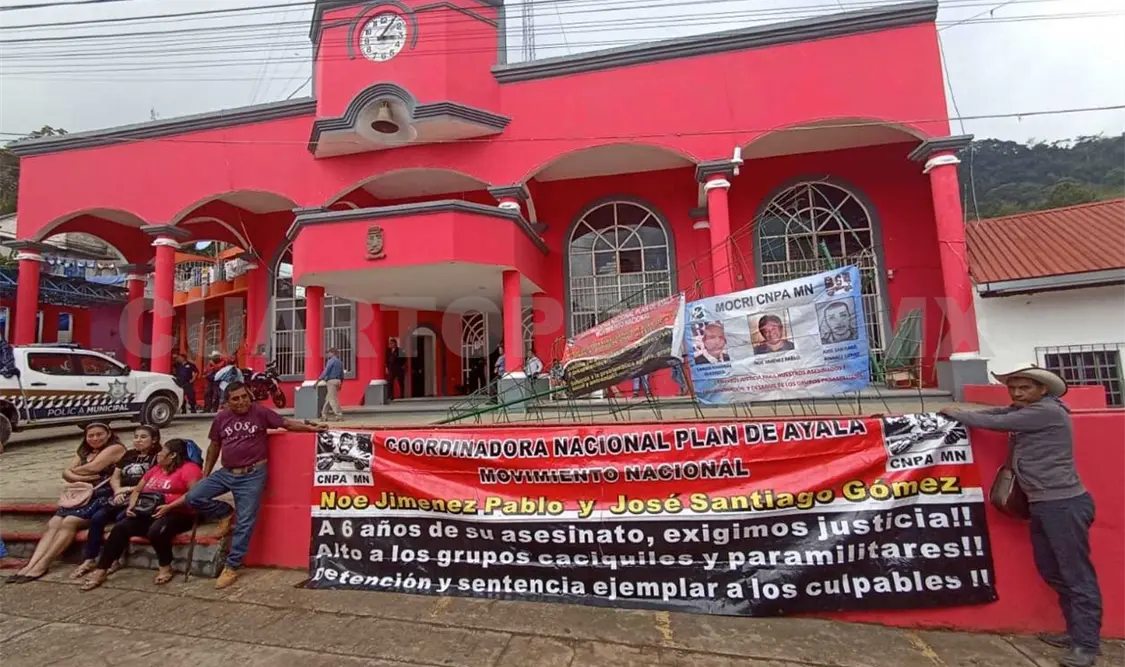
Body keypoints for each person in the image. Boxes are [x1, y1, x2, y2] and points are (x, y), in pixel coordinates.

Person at [940, 364, 1101, 667]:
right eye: (1013, 387)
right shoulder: (1029, 410)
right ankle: (1076, 631)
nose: (1017, 393)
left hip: (1063, 504)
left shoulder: (1046, 412)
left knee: (1076, 575)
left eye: (1024, 387)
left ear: (1042, 390)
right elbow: (998, 414)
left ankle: (1086, 645)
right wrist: (959, 411)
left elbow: (992, 422)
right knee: (1052, 570)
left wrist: (955, 413)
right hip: (1045, 504)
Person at [186, 381, 326, 589]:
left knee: (245, 521)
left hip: (252, 475)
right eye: (236, 398)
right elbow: (214, 446)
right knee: (193, 497)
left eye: (244, 396)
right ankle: (224, 512)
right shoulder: (221, 418)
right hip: (226, 472)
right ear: (227, 402)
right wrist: (206, 474)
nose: (242, 401)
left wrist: (311, 428)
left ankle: (232, 566)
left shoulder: (260, 412)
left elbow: (285, 424)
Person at [7, 423, 126, 583]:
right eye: (91, 435)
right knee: (54, 522)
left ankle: (43, 564)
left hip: (102, 497)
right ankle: (30, 565)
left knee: (69, 522)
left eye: (99, 434)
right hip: (79, 496)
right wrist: (77, 475)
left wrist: (73, 473)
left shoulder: (116, 448)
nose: (95, 438)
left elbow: (92, 468)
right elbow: (66, 472)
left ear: (108, 434)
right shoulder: (84, 451)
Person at [79, 439, 204, 591]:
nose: (158, 455)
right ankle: (101, 570)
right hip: (148, 509)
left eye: (162, 453)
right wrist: (132, 505)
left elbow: (195, 495)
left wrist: (169, 506)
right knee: (120, 528)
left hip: (178, 511)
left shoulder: (190, 469)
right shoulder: (156, 469)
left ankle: (165, 566)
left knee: (156, 531)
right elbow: (138, 490)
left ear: (172, 455)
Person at [69, 425, 163, 581]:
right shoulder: (129, 455)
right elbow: (115, 476)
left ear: (154, 440)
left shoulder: (157, 458)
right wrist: (118, 490)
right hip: (120, 495)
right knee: (98, 517)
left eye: (143, 437)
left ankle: (114, 559)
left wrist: (129, 490)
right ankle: (90, 558)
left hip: (140, 497)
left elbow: (154, 481)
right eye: (136, 437)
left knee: (122, 520)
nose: (138, 441)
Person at [318, 347, 344, 421]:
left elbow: (326, 371)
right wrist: (341, 383)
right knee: (328, 399)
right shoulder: (340, 362)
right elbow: (342, 374)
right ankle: (324, 415)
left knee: (332, 399)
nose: (328, 354)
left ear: (332, 353)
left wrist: (319, 380)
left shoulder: (331, 361)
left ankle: (339, 415)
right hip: (338, 380)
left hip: (331, 381)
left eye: (329, 353)